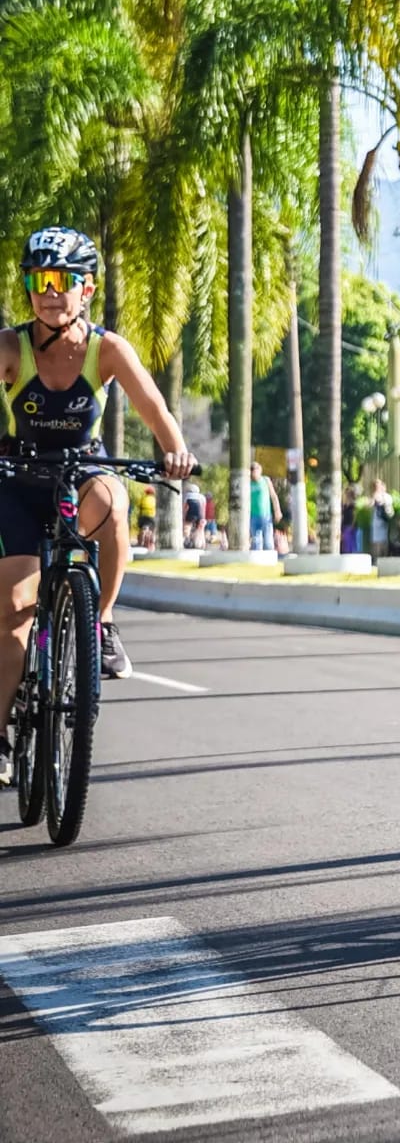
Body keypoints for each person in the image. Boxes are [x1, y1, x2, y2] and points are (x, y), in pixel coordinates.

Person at [0, 227, 195, 785]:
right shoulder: (10, 347)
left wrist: (176, 452)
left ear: (87, 289)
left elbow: (153, 407)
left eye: (63, 281)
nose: (49, 292)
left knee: (112, 502)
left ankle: (102, 620)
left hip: (82, 468)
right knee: (12, 610)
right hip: (19, 477)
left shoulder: (107, 349)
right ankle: (0, 736)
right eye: (39, 280)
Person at [249, 460, 282, 552]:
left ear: (260, 470)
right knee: (256, 541)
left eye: (254, 469)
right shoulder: (248, 483)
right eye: (251, 470)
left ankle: (269, 560)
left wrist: (277, 511)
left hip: (266, 515)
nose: (253, 472)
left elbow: (274, 496)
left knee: (268, 541)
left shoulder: (265, 480)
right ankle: (257, 563)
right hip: (253, 515)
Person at [369, 478, 394, 559]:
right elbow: (370, 506)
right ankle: (376, 558)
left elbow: (389, 509)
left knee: (383, 541)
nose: (378, 488)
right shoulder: (374, 495)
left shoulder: (387, 496)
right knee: (376, 541)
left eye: (379, 486)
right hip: (376, 522)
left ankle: (384, 557)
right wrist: (374, 498)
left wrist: (380, 500)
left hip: (384, 521)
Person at [183, 480, 205, 549]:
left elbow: (184, 507)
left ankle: (187, 540)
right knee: (199, 529)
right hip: (200, 515)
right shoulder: (202, 497)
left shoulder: (186, 496)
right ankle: (199, 543)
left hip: (190, 513)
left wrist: (183, 517)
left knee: (187, 526)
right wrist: (202, 518)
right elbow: (203, 507)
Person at [136, 485, 157, 549]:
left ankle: (140, 542)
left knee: (142, 529)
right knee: (152, 530)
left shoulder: (143, 498)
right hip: (151, 517)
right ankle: (151, 543)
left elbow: (138, 505)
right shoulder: (154, 499)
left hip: (143, 516)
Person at [340, 484, 358, 553]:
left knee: (350, 541)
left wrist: (353, 524)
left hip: (350, 524)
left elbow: (355, 515)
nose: (347, 495)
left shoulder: (353, 504)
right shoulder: (343, 504)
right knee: (345, 541)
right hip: (344, 524)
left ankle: (350, 553)